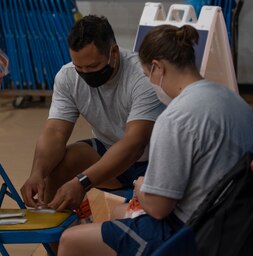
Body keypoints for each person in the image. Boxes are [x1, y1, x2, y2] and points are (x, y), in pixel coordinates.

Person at [57, 24, 253, 256]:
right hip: (238, 222)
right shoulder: (237, 103)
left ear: (157, 68)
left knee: (71, 240)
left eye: (146, 75)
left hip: (190, 233)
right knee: (117, 212)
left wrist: (141, 186)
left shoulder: (175, 117)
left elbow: (158, 208)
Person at [20, 15, 165, 212]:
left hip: (153, 162)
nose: (86, 73)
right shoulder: (68, 76)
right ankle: (61, 238)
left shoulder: (141, 76)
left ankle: (86, 236)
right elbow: (55, 131)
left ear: (113, 52)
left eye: (93, 66)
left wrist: (82, 182)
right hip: (109, 154)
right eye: (79, 67)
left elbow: (134, 145)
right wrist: (37, 172)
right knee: (52, 171)